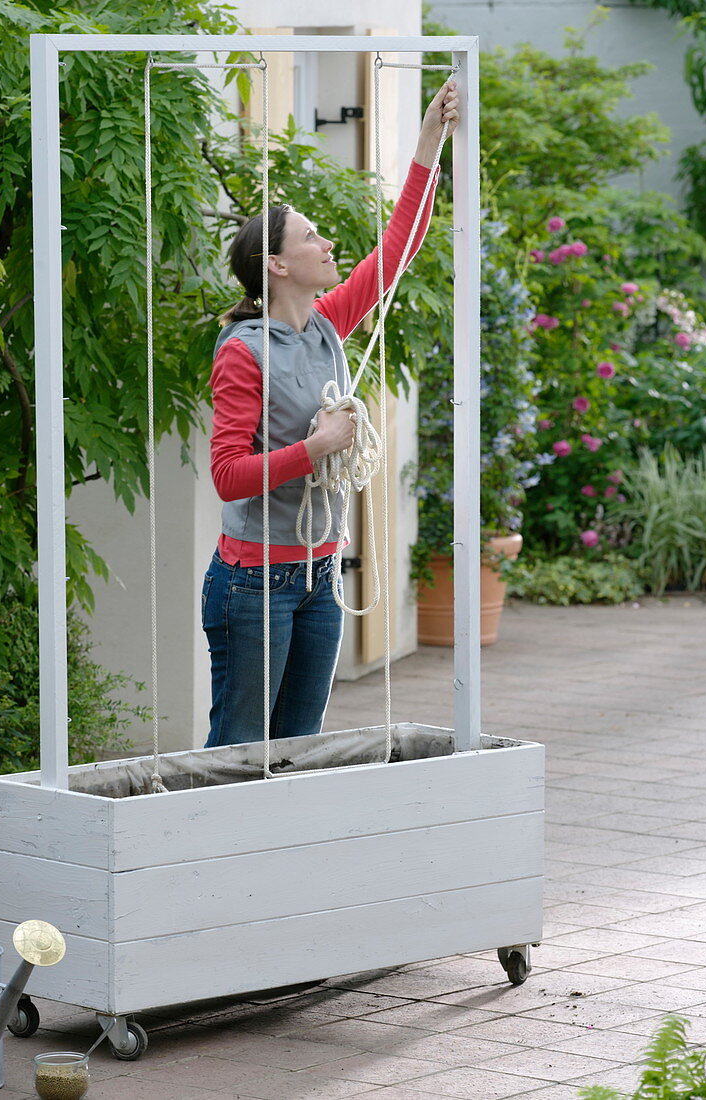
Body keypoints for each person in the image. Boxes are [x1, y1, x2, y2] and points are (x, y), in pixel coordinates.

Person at [202, 80, 460, 749]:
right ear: (277, 264)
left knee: (300, 750)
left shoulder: (326, 324)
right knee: (238, 751)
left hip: (319, 573)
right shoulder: (243, 352)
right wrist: (316, 449)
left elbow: (398, 249)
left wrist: (430, 141)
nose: (328, 244)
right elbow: (228, 476)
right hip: (253, 583)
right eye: (312, 236)